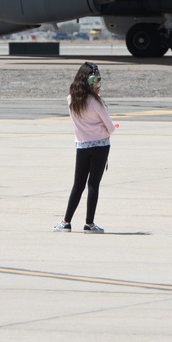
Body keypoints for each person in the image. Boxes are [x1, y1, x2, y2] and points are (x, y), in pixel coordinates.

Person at [54, 61, 118, 233]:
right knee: (93, 185)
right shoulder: (96, 102)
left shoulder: (71, 99)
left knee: (78, 184)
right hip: (101, 145)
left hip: (82, 146)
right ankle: (89, 224)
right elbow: (110, 128)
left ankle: (66, 222)